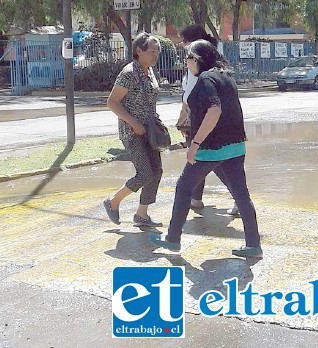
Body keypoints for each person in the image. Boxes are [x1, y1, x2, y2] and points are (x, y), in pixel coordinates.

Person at [150, 39, 263, 258]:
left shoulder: (205, 79)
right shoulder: (227, 76)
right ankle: (253, 245)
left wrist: (195, 143)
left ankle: (172, 239)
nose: (185, 62)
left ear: (197, 59)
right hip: (236, 146)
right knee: (241, 196)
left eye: (188, 57)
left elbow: (214, 111)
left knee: (184, 187)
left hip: (212, 147)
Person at [103, 33, 163, 228]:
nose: (156, 55)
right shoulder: (129, 73)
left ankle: (141, 214)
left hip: (150, 131)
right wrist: (133, 123)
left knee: (157, 171)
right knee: (145, 173)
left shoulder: (149, 71)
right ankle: (113, 202)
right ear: (139, 51)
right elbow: (112, 102)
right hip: (133, 133)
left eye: (157, 51)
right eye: (152, 51)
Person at [178, 24, 239, 216]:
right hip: (199, 115)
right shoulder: (203, 59)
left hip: (203, 118)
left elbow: (209, 104)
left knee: (213, 161)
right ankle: (196, 198)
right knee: (202, 160)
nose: (182, 45)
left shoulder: (198, 63)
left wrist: (195, 138)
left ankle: (238, 197)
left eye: (185, 40)